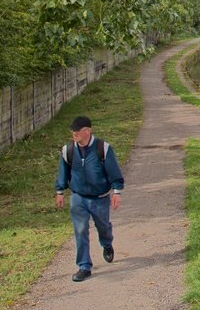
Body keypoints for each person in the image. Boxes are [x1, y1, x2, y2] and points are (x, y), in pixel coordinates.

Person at [54, 115, 125, 282]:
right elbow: (63, 173)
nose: (74, 135)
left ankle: (107, 244)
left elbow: (114, 173)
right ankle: (84, 266)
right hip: (78, 197)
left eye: (77, 132)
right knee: (80, 230)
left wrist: (116, 192)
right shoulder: (68, 151)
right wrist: (59, 192)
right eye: (72, 132)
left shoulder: (103, 148)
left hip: (100, 198)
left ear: (87, 131)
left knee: (103, 227)